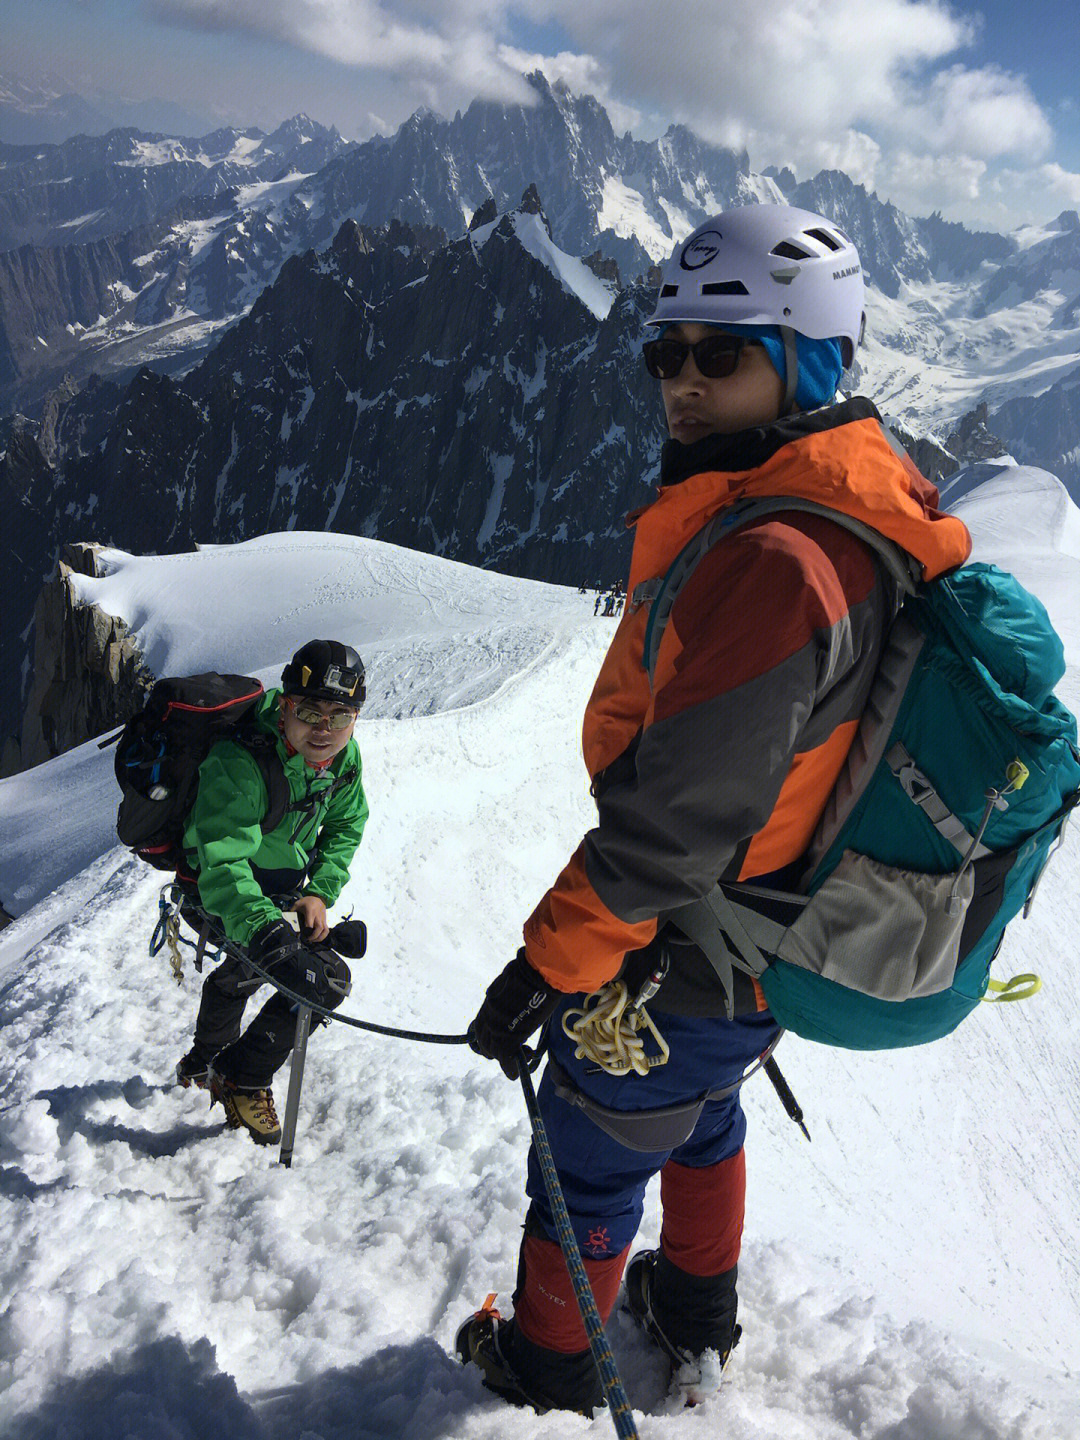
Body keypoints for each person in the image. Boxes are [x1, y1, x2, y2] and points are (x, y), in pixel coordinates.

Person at [459, 205, 971, 1412]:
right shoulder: (846, 502)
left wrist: (547, 963)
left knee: (589, 1150)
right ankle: (694, 1311)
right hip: (763, 941)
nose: (681, 381)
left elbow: (672, 824)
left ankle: (548, 1361)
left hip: (688, 942)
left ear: (810, 357)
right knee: (699, 1115)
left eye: (721, 352)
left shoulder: (777, 560)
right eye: (667, 350)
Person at [175, 639, 369, 1145]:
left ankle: (206, 1060)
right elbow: (222, 861)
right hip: (216, 890)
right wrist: (264, 931)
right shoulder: (238, 762)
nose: (324, 729)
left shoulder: (342, 762)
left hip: (280, 891)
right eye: (309, 712)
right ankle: (242, 1078)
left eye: (340, 715)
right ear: (284, 707)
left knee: (262, 972)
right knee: (322, 980)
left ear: (355, 718)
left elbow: (347, 826)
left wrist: (320, 894)